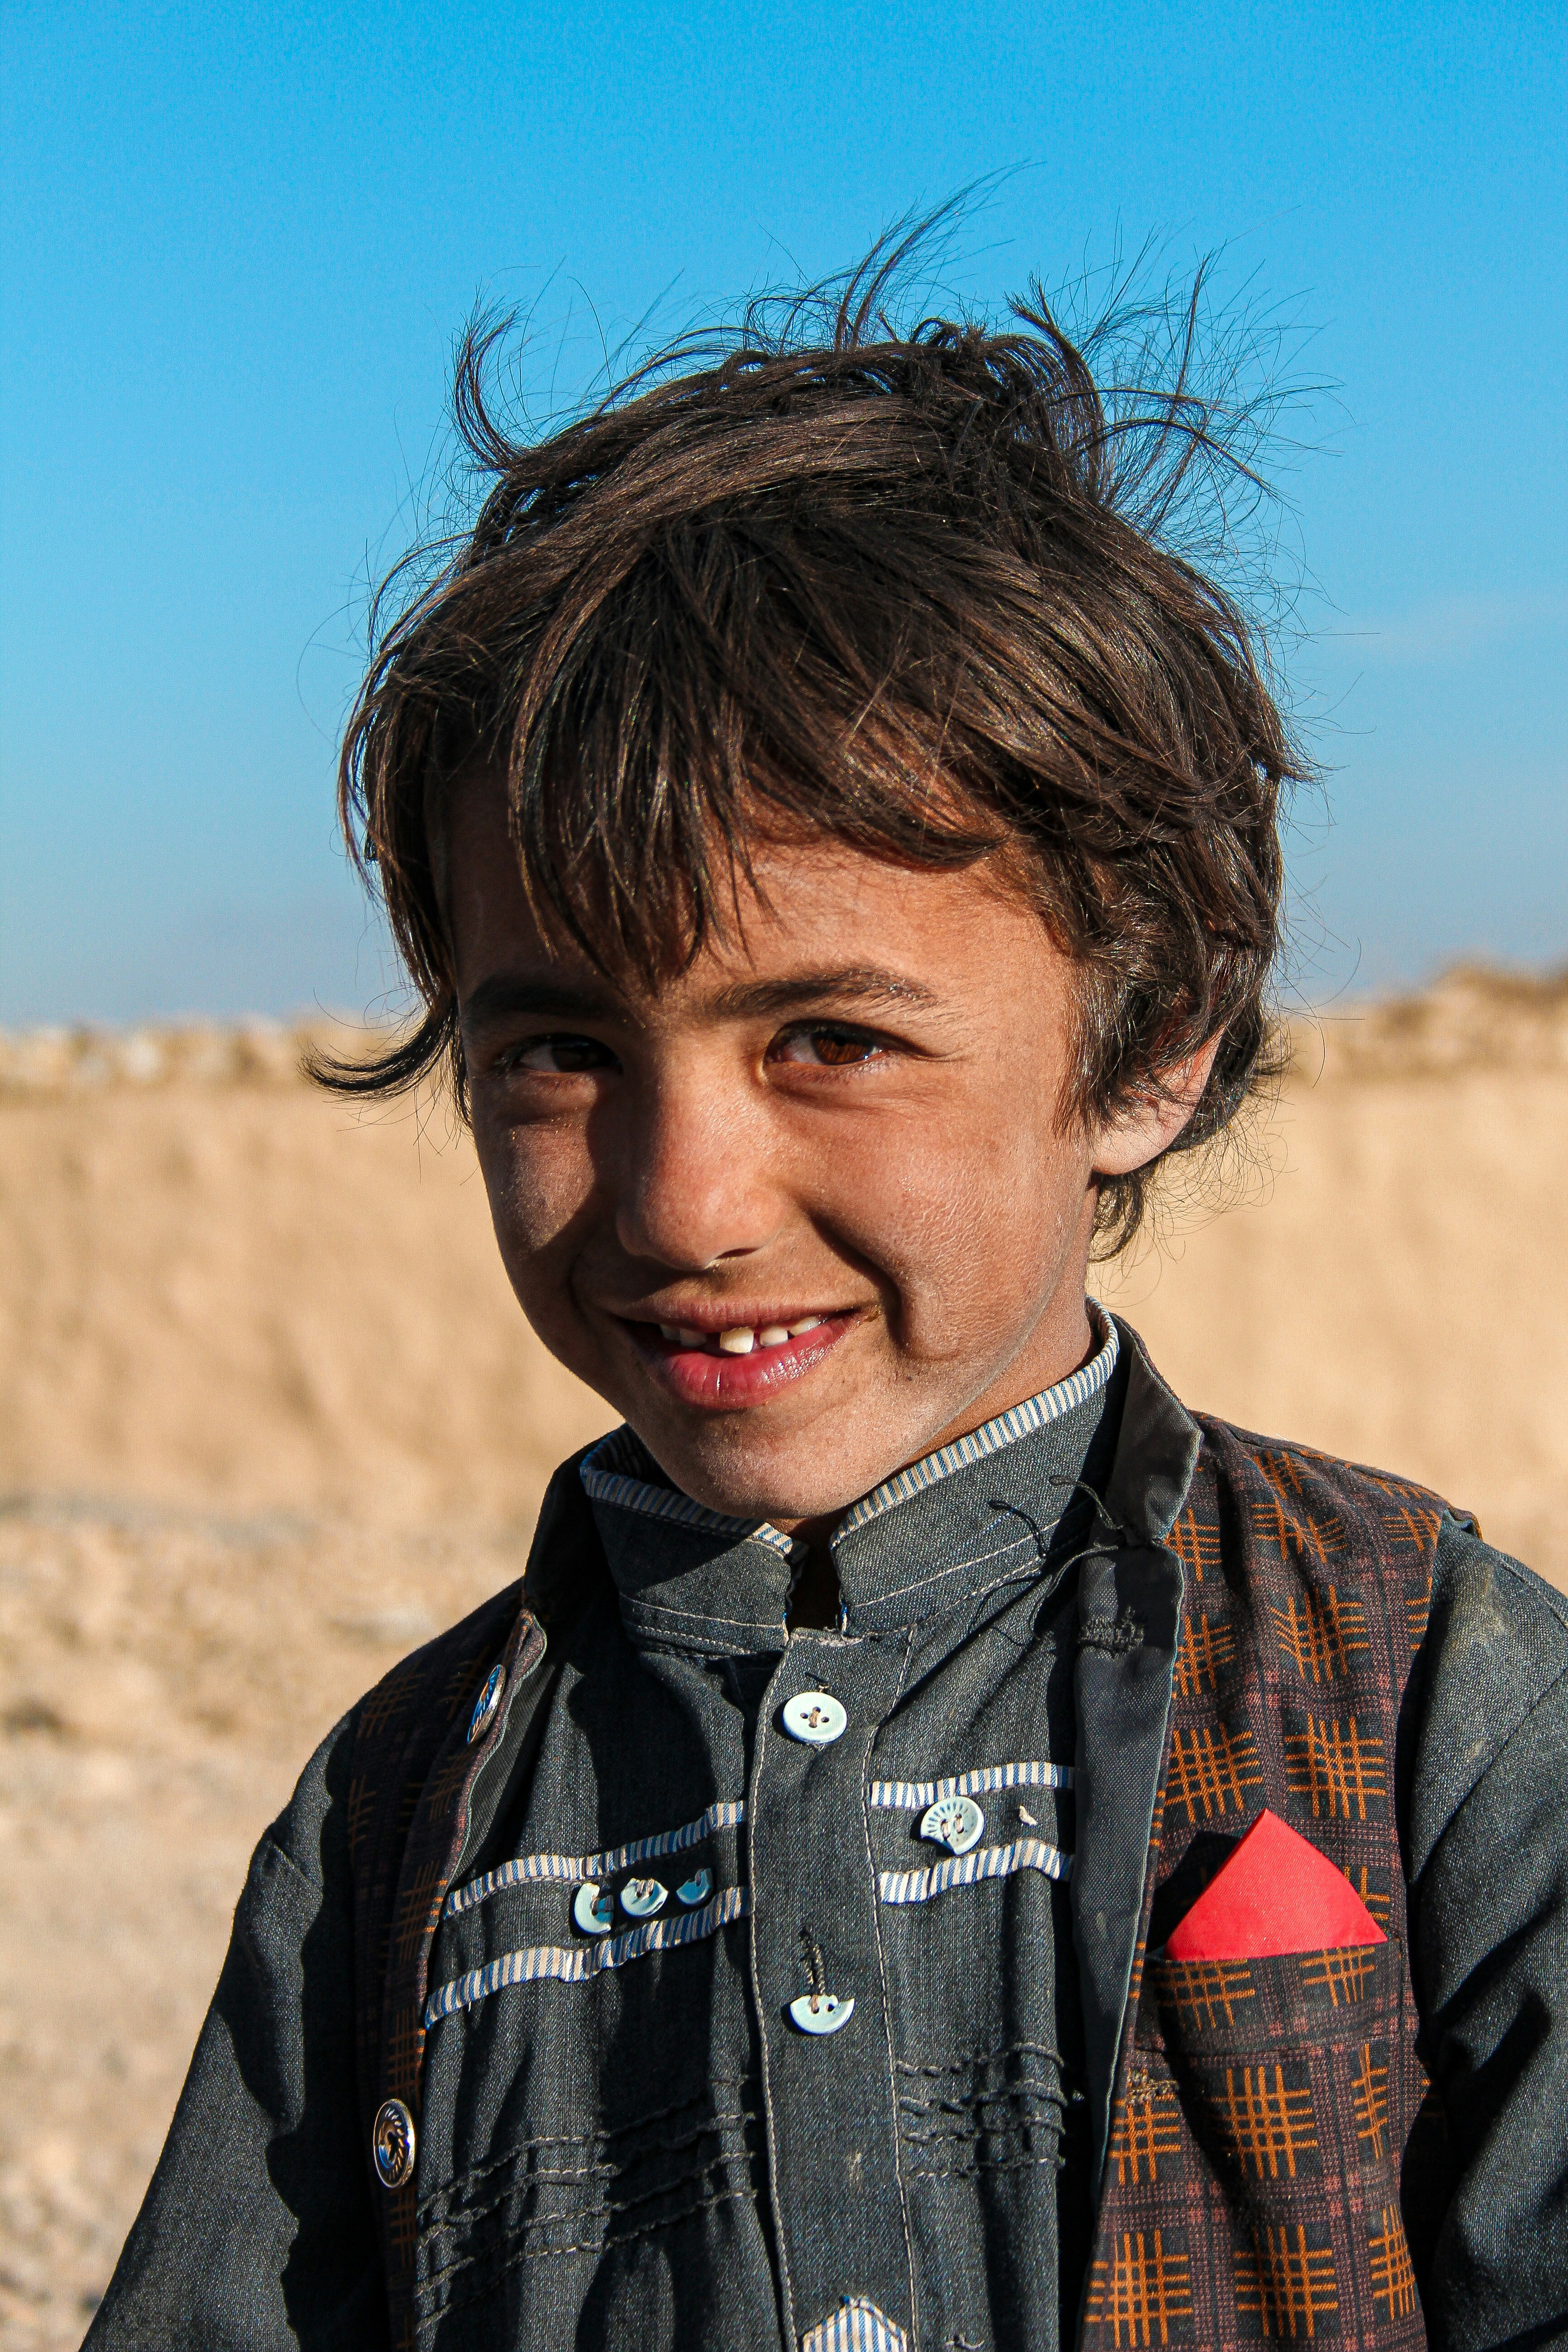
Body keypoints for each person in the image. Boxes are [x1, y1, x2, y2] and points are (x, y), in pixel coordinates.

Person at [87, 243, 1568, 2352]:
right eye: (559, 1053)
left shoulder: (1432, 1699)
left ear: (1147, 1045)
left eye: (831, 1042)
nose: (684, 1201)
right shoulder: (396, 1825)